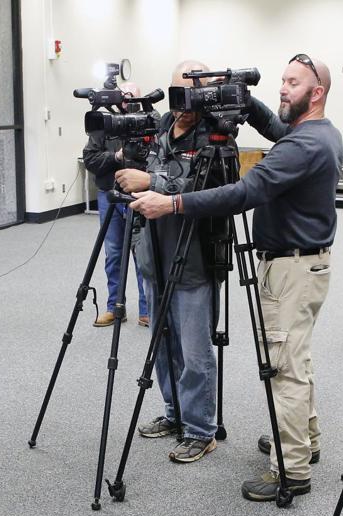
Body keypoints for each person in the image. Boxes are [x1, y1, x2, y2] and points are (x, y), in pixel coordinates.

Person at [130, 54, 343, 501]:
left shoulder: (304, 145)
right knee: (296, 361)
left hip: (292, 268)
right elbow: (275, 127)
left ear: (316, 92)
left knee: (283, 367)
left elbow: (245, 191)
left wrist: (172, 204)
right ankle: (302, 442)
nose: (283, 88)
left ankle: (292, 470)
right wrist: (246, 101)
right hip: (300, 264)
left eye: (292, 82)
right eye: (281, 80)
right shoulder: (317, 133)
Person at [115, 60, 223, 464]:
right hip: (155, 255)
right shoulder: (162, 124)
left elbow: (210, 186)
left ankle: (200, 430)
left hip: (194, 256)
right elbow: (147, 168)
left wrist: (152, 182)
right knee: (163, 344)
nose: (184, 103)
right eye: (178, 92)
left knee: (195, 351)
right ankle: (175, 413)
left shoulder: (217, 133)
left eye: (193, 94)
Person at [81, 81, 150, 328]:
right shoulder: (103, 125)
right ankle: (114, 307)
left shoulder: (150, 122)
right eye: (124, 97)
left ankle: (147, 309)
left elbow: (158, 160)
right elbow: (90, 159)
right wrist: (117, 157)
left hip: (140, 196)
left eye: (133, 98)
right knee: (113, 253)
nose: (127, 102)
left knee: (143, 253)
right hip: (109, 195)